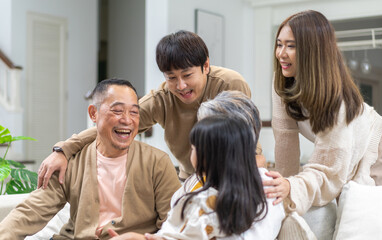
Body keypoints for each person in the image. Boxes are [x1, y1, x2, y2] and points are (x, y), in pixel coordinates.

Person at [37, 30, 262, 187]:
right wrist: (64, 150)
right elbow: (112, 126)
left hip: (236, 175)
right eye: (171, 77)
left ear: (205, 66)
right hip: (190, 180)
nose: (180, 86)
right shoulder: (162, 99)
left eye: (187, 75)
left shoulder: (230, 84)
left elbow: (247, 145)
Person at [0, 79, 181, 239]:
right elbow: (31, 211)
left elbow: (174, 225)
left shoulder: (158, 163)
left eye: (134, 112)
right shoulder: (70, 162)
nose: (127, 120)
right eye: (117, 111)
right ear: (94, 113)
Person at [263, 10, 382, 215]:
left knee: (374, 222)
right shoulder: (281, 83)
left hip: (379, 152)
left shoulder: (336, 100)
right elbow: (285, 143)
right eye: (279, 44)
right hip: (348, 155)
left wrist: (293, 187)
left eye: (291, 46)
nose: (281, 53)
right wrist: (284, 190)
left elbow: (328, 171)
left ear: (312, 50)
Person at [109, 116, 285, 240]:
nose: (190, 153)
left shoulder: (199, 201)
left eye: (193, 148)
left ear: (206, 156)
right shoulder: (263, 192)